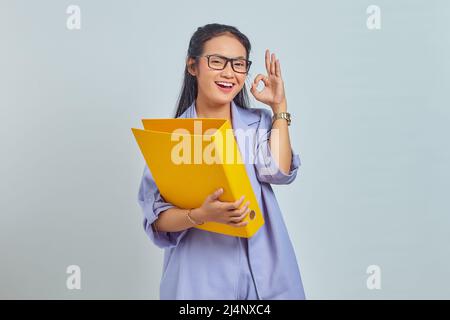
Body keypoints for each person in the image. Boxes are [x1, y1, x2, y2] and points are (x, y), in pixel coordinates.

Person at [138, 23, 306, 300]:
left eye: (239, 64)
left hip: (268, 274)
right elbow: (156, 219)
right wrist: (200, 216)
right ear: (193, 66)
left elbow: (279, 171)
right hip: (199, 277)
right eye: (217, 61)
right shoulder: (170, 137)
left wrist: (279, 108)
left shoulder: (258, 124)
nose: (229, 73)